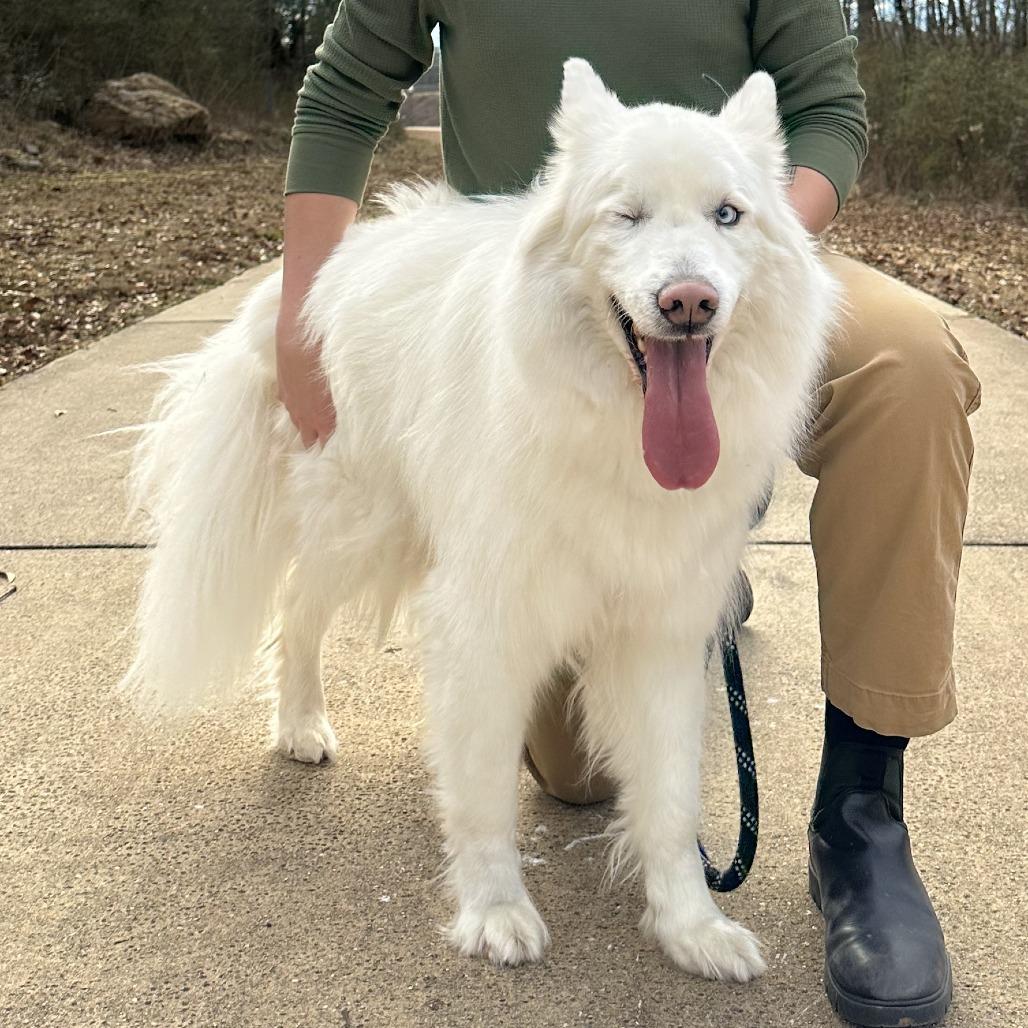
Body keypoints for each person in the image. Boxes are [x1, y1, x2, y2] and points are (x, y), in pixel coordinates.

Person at [278, 4, 981, 1024]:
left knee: (909, 362)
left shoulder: (716, 255)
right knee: (572, 769)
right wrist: (304, 324)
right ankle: (664, 581)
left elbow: (825, 106)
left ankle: (860, 816)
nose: (680, 281)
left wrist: (739, 233)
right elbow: (344, 88)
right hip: (535, 276)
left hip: (755, 232)